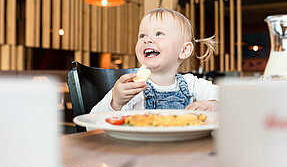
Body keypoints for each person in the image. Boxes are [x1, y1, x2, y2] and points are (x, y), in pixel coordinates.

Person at [90, 8, 218, 113]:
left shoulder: (192, 85)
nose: (147, 40)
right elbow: (91, 126)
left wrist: (212, 105)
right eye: (142, 35)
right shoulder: (132, 90)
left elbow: (231, 98)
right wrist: (115, 102)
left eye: (159, 34)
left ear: (184, 50)